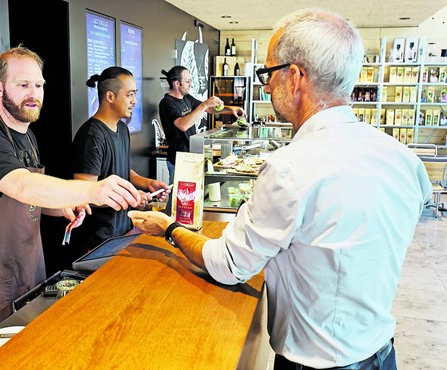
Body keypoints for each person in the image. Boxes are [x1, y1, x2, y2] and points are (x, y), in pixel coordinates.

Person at [130, 8, 432, 370]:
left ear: (295, 76)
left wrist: (169, 228)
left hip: (316, 363)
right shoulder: (402, 157)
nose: (266, 85)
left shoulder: (291, 168)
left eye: (268, 73)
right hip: (382, 354)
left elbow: (227, 265)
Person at [0, 46, 141, 355]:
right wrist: (90, 190)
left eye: (38, 85)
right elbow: (21, 184)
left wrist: (57, 206)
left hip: (24, 276)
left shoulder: (28, 136)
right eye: (23, 85)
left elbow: (19, 198)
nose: (33, 93)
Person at [70, 67, 170, 252]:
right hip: (96, 240)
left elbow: (122, 172)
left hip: (122, 231)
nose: (134, 101)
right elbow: (84, 193)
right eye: (130, 94)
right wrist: (131, 197)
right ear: (110, 96)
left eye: (134, 94)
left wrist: (148, 184)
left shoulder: (122, 129)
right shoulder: (91, 135)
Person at [158, 66, 246, 186]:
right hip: (179, 160)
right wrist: (205, 104)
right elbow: (183, 125)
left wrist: (231, 109)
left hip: (192, 156)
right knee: (177, 198)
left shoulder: (186, 98)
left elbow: (209, 109)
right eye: (188, 81)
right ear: (177, 83)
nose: (191, 85)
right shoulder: (167, 103)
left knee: (190, 198)